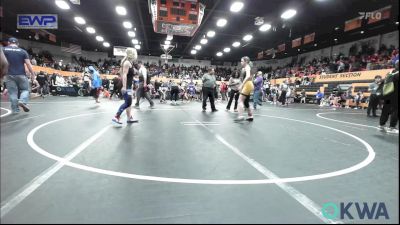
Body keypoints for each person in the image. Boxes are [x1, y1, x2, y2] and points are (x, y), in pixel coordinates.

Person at [2, 37, 35, 113]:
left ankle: (15, 110)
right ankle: (22, 101)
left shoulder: (3, 50)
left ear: (9, 43)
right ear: (17, 44)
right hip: (21, 75)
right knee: (25, 90)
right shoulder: (23, 51)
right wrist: (33, 74)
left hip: (9, 75)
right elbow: (28, 64)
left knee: (12, 93)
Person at [112, 48, 138, 125]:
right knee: (128, 102)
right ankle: (116, 117)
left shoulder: (129, 63)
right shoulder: (127, 62)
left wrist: (135, 80)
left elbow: (126, 75)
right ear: (132, 54)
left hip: (129, 86)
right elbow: (124, 75)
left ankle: (129, 118)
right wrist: (124, 86)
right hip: (126, 86)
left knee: (129, 102)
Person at [378, 60, 399, 133]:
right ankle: (392, 127)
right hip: (395, 96)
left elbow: (383, 83)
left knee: (386, 109)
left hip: (387, 95)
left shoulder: (390, 73)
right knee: (396, 110)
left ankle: (381, 125)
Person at [234, 56, 254, 122]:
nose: (241, 62)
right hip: (249, 84)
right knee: (246, 102)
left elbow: (248, 76)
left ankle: (240, 116)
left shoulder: (247, 67)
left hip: (247, 84)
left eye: (242, 61)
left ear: (246, 61)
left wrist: (242, 86)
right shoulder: (247, 68)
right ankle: (250, 116)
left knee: (240, 100)